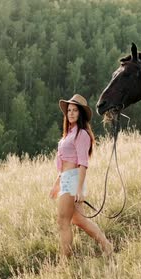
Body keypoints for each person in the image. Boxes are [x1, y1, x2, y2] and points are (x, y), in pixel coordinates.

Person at [49, 94, 113, 259]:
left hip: (73, 180)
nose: (70, 113)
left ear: (81, 114)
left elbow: (83, 163)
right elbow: (64, 163)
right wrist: (57, 183)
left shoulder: (82, 134)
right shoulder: (68, 134)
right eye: (69, 110)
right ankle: (107, 246)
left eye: (75, 110)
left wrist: (79, 189)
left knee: (63, 222)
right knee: (79, 221)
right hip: (66, 179)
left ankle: (65, 262)